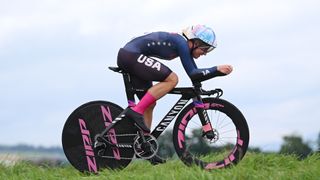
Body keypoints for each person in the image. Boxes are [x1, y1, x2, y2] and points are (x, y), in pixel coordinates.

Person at [116, 24, 233, 164]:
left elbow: (195, 74)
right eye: (205, 48)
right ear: (195, 42)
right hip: (131, 56)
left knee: (149, 103)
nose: (205, 52)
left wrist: (213, 73)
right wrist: (217, 69)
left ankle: (145, 148)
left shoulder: (182, 44)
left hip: (131, 56)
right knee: (173, 79)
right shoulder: (182, 43)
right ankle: (136, 111)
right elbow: (194, 74)